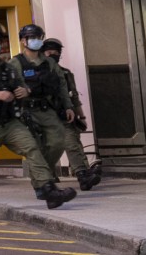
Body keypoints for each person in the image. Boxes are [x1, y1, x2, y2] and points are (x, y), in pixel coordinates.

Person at [0, 24, 77, 220]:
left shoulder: (8, 68)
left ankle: (47, 189)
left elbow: (23, 88)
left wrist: (24, 92)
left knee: (32, 148)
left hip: (10, 123)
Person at [10, 24, 76, 192]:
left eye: (39, 38)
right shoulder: (15, 63)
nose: (36, 41)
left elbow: (61, 84)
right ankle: (43, 183)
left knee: (57, 142)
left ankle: (42, 176)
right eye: (32, 38)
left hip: (47, 109)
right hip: (25, 110)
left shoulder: (48, 62)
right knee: (35, 147)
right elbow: (9, 87)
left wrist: (68, 106)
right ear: (23, 41)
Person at [41, 38, 102, 190]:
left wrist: (81, 116)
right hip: (41, 116)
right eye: (49, 51)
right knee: (46, 148)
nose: (52, 54)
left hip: (63, 115)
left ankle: (82, 175)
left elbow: (73, 96)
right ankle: (45, 176)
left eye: (56, 52)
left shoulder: (66, 73)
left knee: (71, 142)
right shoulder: (34, 72)